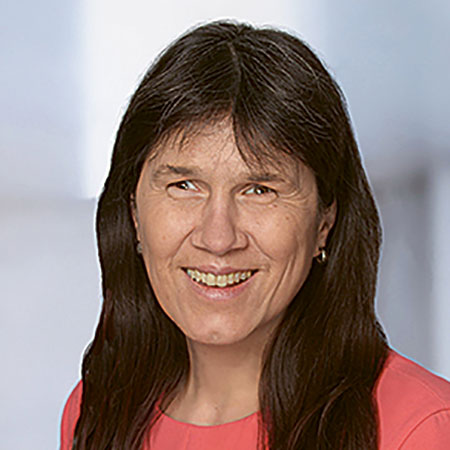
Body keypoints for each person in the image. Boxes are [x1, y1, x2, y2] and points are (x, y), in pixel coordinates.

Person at [60, 21, 450, 449]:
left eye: (260, 190)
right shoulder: (96, 411)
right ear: (134, 212)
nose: (218, 238)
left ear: (325, 222)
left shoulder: (419, 428)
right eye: (184, 185)